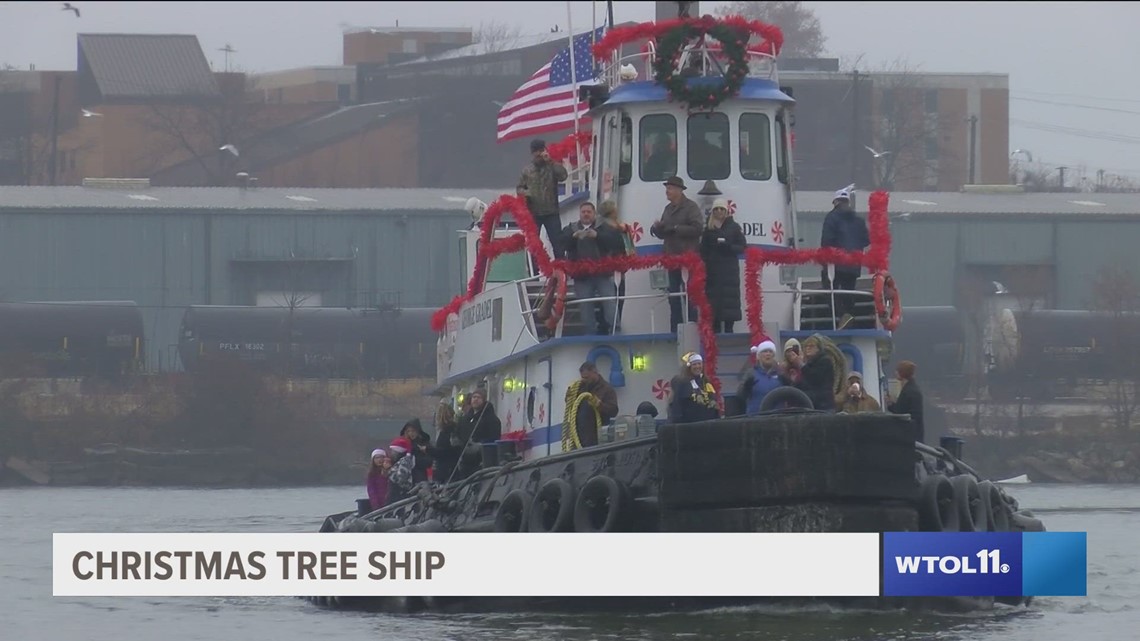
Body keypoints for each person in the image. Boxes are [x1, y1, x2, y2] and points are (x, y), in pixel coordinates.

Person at [650, 176, 704, 333]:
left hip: (688, 259)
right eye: (667, 188)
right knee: (673, 296)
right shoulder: (667, 209)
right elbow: (664, 233)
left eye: (670, 188)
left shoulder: (691, 207)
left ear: (680, 190)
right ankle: (676, 329)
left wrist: (675, 228)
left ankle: (693, 329)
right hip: (671, 259)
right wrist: (657, 228)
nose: (667, 191)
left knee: (690, 296)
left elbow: (698, 228)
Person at [562, 201, 624, 334]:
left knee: (610, 304)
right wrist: (574, 237)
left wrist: (598, 236)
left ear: (594, 214)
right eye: (583, 212)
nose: (586, 214)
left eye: (588, 212)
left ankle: (616, 331)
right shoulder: (571, 228)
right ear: (579, 213)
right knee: (585, 307)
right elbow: (562, 244)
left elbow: (617, 242)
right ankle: (590, 334)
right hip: (581, 275)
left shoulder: (604, 227)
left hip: (603, 273)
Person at [819, 186, 870, 330]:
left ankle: (842, 316)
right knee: (849, 292)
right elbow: (866, 240)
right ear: (847, 202)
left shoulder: (832, 217)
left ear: (835, 202)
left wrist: (825, 258)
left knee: (829, 290)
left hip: (836, 263)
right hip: (854, 264)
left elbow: (826, 241)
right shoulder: (858, 220)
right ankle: (849, 315)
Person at [517, 138, 569, 263]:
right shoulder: (527, 170)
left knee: (557, 242)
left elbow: (563, 176)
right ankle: (534, 272)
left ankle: (561, 268)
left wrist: (551, 161)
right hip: (534, 213)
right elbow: (519, 188)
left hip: (551, 212)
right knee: (533, 244)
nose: (539, 154)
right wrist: (528, 193)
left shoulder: (552, 166)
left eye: (541, 150)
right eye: (536, 151)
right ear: (532, 153)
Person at [700, 198, 746, 333]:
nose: (719, 211)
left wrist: (728, 246)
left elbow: (742, 246)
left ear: (726, 211)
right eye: (716, 209)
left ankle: (729, 332)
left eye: (722, 209)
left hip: (729, 272)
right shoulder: (708, 229)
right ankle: (714, 337)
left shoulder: (734, 227)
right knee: (714, 305)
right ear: (713, 211)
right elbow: (703, 250)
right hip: (713, 272)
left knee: (729, 305)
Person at [563, 361, 619, 449]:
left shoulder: (607, 389)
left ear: (594, 372)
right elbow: (570, 404)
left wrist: (599, 405)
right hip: (578, 436)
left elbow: (614, 410)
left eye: (587, 377)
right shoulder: (579, 388)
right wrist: (569, 396)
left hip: (596, 437)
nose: (584, 380)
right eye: (583, 378)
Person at [599, 200, 635, 332]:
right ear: (612, 212)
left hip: (620, 269)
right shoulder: (603, 229)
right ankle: (609, 327)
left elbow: (628, 247)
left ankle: (616, 325)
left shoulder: (620, 228)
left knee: (620, 297)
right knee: (611, 300)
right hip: (609, 270)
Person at [455, 387, 502, 478]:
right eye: (474, 397)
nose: (475, 399)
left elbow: (495, 438)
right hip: (465, 463)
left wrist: (480, 446)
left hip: (481, 463)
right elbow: (458, 434)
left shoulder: (492, 420)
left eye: (479, 397)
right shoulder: (464, 420)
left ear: (484, 400)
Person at [668, 352, 721, 423]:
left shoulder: (706, 382)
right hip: (689, 424)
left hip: (708, 423)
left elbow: (713, 400)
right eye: (694, 364)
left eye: (699, 364)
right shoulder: (682, 382)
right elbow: (677, 403)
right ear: (689, 367)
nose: (697, 366)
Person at [796, 334, 842, 412]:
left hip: (824, 405)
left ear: (818, 348)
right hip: (812, 404)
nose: (808, 348)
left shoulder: (825, 361)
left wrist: (802, 366)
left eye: (812, 346)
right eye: (806, 346)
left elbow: (815, 378)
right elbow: (805, 383)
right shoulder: (809, 364)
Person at [738, 340, 784, 415]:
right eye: (765, 351)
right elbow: (740, 396)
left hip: (777, 418)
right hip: (756, 418)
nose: (768, 354)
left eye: (770, 351)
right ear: (758, 356)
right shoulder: (751, 373)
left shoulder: (780, 373)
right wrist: (745, 388)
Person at [887, 360, 925, 443]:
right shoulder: (910, 389)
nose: (895, 372)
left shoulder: (911, 391)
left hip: (910, 436)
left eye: (897, 370)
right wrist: (891, 404)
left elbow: (910, 414)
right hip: (910, 434)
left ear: (902, 373)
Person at [431, 400, 462, 484]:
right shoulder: (451, 430)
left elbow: (448, 452)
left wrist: (430, 450)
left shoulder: (448, 432)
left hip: (447, 472)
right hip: (448, 471)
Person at [399, 418, 433, 484]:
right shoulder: (403, 444)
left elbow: (429, 461)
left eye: (413, 431)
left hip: (419, 478)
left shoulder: (424, 443)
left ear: (418, 431)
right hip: (405, 478)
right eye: (408, 431)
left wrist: (414, 460)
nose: (411, 433)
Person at [385, 437, 417, 505]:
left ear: (399, 451)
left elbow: (401, 479)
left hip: (399, 495)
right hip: (396, 495)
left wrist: (389, 470)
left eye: (393, 451)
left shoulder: (405, 461)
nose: (391, 453)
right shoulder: (400, 461)